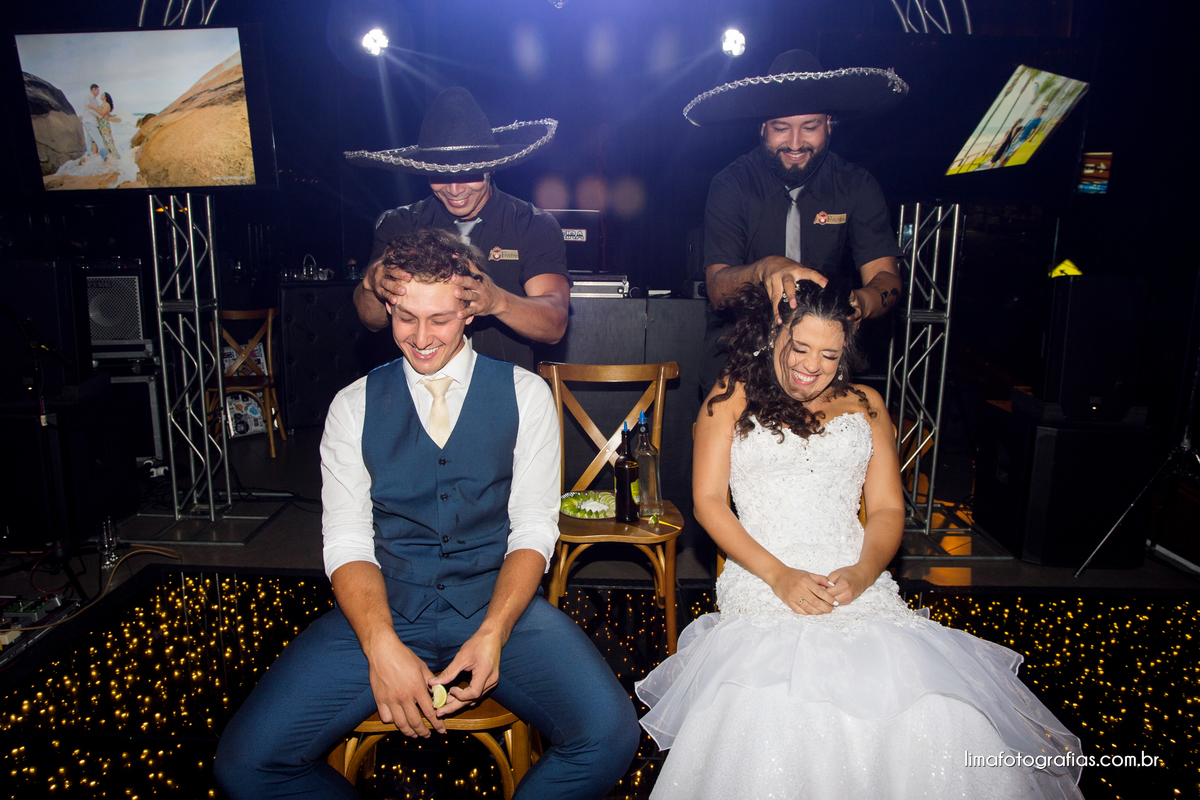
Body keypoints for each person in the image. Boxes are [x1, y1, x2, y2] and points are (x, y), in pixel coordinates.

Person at [215, 229, 640, 799]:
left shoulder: (525, 394)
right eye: (405, 317)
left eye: (439, 319)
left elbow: (534, 527)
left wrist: (494, 631)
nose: (420, 338)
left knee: (610, 735)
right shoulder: (352, 404)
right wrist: (381, 646)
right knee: (245, 763)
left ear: (469, 310)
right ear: (388, 305)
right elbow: (346, 541)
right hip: (386, 606)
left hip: (495, 604)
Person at [636, 280, 1085, 799]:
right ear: (776, 331)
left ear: (846, 349)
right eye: (798, 348)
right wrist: (779, 575)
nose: (811, 365)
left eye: (829, 354)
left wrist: (866, 572)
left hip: (856, 579)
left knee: (934, 708)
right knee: (775, 708)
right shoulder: (730, 395)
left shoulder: (867, 403)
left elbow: (890, 508)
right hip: (763, 575)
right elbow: (709, 504)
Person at [686, 50, 909, 390]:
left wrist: (862, 302)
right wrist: (766, 269)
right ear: (762, 126)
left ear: (829, 123)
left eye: (809, 127)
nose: (794, 143)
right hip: (737, 367)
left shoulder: (856, 185)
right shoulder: (731, 184)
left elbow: (886, 278)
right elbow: (717, 288)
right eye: (780, 128)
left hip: (817, 369)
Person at [346, 87, 570, 372]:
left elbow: (554, 325)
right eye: (440, 175)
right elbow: (372, 320)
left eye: (468, 173)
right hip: (419, 394)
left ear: (492, 167)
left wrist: (497, 300)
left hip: (503, 395)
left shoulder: (531, 225)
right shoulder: (401, 225)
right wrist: (371, 284)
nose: (454, 189)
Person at [80, 84, 108, 162]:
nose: (98, 92)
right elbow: (90, 108)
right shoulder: (88, 97)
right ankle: (104, 156)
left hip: (91, 122)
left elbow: (95, 110)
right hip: (89, 122)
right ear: (93, 89)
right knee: (98, 138)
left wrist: (101, 115)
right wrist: (100, 115)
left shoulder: (96, 101)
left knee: (88, 140)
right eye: (97, 90)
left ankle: (88, 157)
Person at [97, 91, 118, 160]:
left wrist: (92, 108)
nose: (101, 95)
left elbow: (102, 114)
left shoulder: (107, 105)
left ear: (105, 97)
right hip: (100, 125)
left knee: (110, 143)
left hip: (104, 125)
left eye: (103, 94)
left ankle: (117, 158)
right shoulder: (102, 105)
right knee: (104, 143)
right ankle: (110, 159)